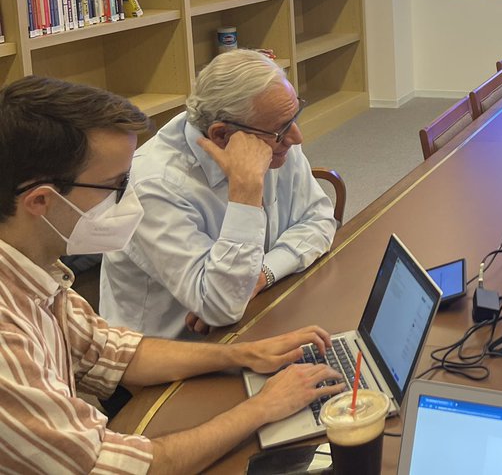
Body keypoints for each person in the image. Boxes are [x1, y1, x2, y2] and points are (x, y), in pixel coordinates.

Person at [0, 76, 344, 474]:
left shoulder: (35, 271)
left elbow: (109, 349)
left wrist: (243, 354)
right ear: (41, 200)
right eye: (117, 184)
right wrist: (262, 407)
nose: (131, 195)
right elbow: (110, 467)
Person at [101, 50, 336, 338]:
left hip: (253, 316)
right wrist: (246, 193)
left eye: (294, 117)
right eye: (282, 129)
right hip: (168, 357)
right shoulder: (153, 185)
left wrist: (262, 274)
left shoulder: (272, 134)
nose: (296, 137)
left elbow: (320, 219)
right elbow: (220, 305)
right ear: (221, 135)